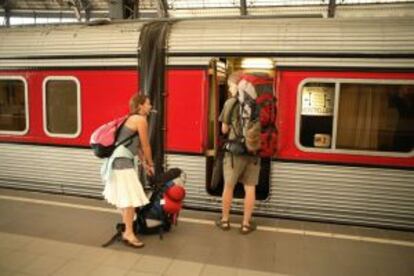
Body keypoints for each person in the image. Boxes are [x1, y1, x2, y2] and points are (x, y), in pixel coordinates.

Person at [101, 94, 155, 248]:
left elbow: (135, 145)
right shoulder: (140, 120)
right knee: (130, 199)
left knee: (126, 198)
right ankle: (129, 234)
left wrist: (144, 163)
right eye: (148, 104)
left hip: (118, 161)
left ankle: (127, 228)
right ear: (140, 106)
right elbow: (145, 145)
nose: (150, 107)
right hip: (122, 163)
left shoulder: (130, 118)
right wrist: (150, 164)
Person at [216, 71, 261, 235]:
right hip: (253, 151)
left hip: (235, 153)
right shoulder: (257, 103)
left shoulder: (230, 103)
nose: (229, 89)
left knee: (229, 186)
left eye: (229, 86)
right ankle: (245, 224)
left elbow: (224, 129)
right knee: (250, 188)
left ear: (236, 85)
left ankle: (225, 221)